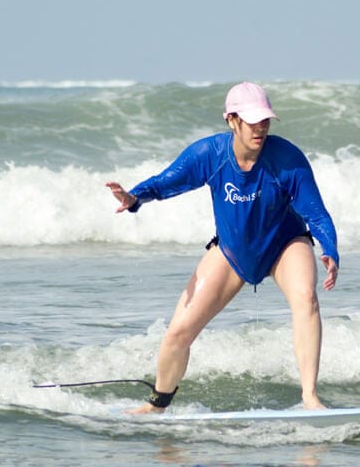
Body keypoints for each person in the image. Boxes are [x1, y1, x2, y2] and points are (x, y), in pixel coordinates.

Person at [106, 81, 340, 413]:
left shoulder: (287, 159)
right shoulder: (209, 154)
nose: (260, 128)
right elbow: (164, 183)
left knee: (306, 297)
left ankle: (310, 397)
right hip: (232, 250)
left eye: (265, 121)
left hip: (285, 243)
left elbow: (315, 211)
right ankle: (157, 405)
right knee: (178, 333)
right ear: (231, 120)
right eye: (252, 120)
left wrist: (330, 247)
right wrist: (134, 199)